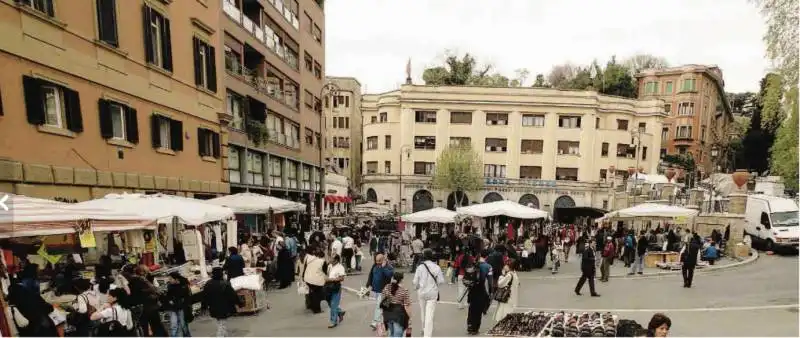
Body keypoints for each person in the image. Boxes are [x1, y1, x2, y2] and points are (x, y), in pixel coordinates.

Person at [124, 265, 167, 337]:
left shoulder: (132, 281)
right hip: (150, 306)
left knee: (144, 328)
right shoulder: (142, 280)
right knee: (156, 326)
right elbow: (155, 291)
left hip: (142, 308)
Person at [201, 267, 242, 337]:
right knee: (222, 324)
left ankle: (225, 335)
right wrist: (239, 303)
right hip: (224, 308)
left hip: (213, 307)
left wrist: (204, 307)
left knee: (220, 323)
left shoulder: (208, 284)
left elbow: (204, 297)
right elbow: (233, 295)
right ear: (221, 274)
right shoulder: (225, 283)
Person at [413, 249, 445, 337]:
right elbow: (441, 281)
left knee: (422, 311)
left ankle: (423, 328)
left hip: (422, 292)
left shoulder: (419, 267)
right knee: (429, 314)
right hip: (432, 292)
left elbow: (415, 281)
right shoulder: (436, 267)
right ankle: (427, 334)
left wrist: (416, 287)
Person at [465, 250, 492, 336]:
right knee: (478, 310)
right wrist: (491, 292)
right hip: (481, 290)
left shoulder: (472, 264)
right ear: (487, 257)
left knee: (471, 309)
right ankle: (475, 329)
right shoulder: (488, 266)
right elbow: (490, 281)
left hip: (472, 289)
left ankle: (469, 326)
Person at [366, 253, 394, 330]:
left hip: (385, 291)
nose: (377, 262)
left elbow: (389, 275)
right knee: (384, 307)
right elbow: (371, 275)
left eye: (379, 261)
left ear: (383, 260)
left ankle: (375, 322)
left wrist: (383, 267)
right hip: (376, 290)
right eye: (376, 261)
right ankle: (386, 321)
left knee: (379, 306)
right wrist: (368, 285)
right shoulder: (374, 265)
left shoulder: (389, 267)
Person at [381, 272, 412, 338]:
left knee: (392, 334)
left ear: (392, 278)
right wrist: (410, 318)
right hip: (399, 316)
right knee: (397, 335)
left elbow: (384, 302)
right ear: (401, 280)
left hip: (388, 315)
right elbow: (407, 306)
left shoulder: (387, 287)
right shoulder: (404, 290)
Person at [164, 272, 192, 337]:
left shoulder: (184, 285)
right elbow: (168, 296)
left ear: (176, 279)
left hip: (182, 307)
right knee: (174, 325)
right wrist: (170, 300)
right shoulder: (170, 286)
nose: (169, 280)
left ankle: (187, 336)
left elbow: (188, 297)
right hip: (173, 308)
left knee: (183, 325)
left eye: (171, 279)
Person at [303, 247, 328, 314]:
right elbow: (326, 271)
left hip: (307, 278)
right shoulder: (322, 261)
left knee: (311, 293)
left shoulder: (309, 258)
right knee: (317, 295)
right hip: (316, 281)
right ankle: (316, 309)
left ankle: (310, 305)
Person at [325, 254, 346, 328]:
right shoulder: (330, 266)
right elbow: (327, 274)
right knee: (330, 302)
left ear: (336, 260)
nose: (330, 259)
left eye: (332, 259)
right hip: (328, 286)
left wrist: (332, 279)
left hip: (335, 286)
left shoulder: (340, 267)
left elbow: (342, 278)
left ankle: (333, 321)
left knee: (333, 304)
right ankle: (340, 312)